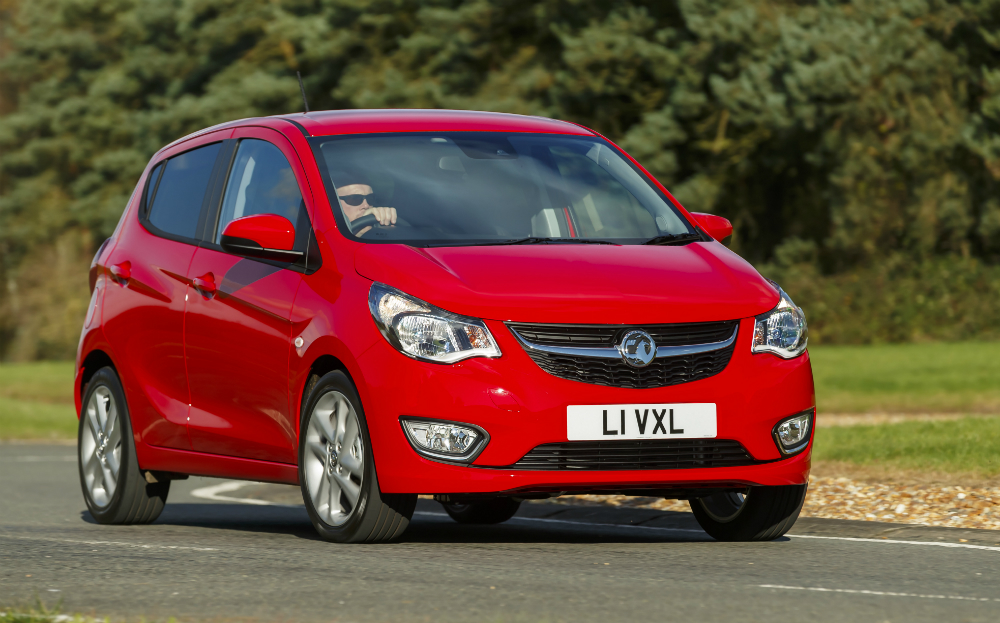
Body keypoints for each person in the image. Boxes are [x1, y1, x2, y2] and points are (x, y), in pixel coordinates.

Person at [330, 170, 396, 236]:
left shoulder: (384, 228)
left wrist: (388, 226)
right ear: (334, 204)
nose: (366, 205)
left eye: (370, 198)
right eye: (355, 199)